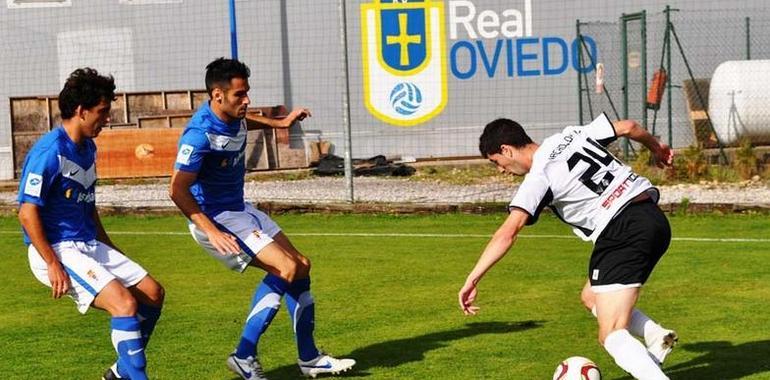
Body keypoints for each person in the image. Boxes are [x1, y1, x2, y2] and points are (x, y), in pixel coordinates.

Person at [169, 57, 355, 380]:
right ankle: (244, 354)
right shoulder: (198, 135)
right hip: (217, 217)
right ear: (217, 95)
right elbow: (176, 190)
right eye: (240, 95)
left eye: (247, 92)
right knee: (284, 267)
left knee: (301, 265)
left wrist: (280, 124)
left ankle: (310, 358)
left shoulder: (233, 114)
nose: (247, 100)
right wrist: (211, 231)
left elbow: (245, 121)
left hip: (240, 209)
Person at [458, 113, 677, 380]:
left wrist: (472, 277)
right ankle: (655, 335)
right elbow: (629, 127)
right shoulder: (572, 135)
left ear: (506, 149)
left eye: (496, 162)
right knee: (591, 296)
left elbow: (508, 232)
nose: (501, 169)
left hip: (621, 232)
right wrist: (658, 148)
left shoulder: (539, 177)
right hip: (652, 217)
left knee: (611, 334)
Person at [17, 68, 165, 380]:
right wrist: (52, 263)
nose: (107, 118)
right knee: (124, 304)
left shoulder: (88, 147)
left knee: (152, 293)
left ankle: (118, 374)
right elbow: (27, 213)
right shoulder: (49, 151)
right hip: (57, 249)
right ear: (82, 111)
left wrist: (110, 248)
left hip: (87, 245)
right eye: (103, 111)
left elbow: (88, 207)